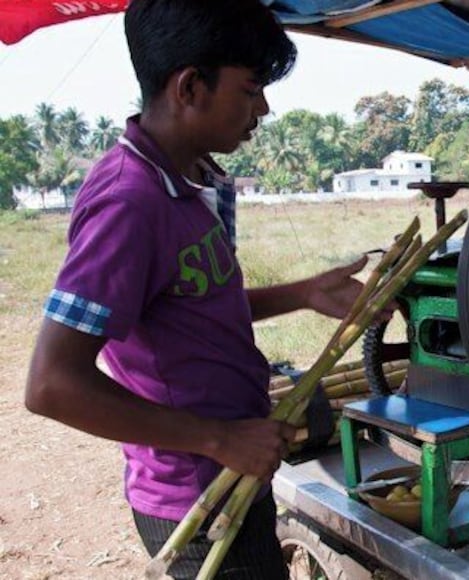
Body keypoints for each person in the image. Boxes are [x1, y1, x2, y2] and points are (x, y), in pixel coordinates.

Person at [24, 1, 369, 577]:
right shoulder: (129, 201)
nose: (263, 109)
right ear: (189, 87)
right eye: (250, 89)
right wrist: (218, 439)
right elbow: (52, 384)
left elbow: (194, 306)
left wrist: (304, 293)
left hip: (236, 470)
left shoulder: (187, 180)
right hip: (195, 497)